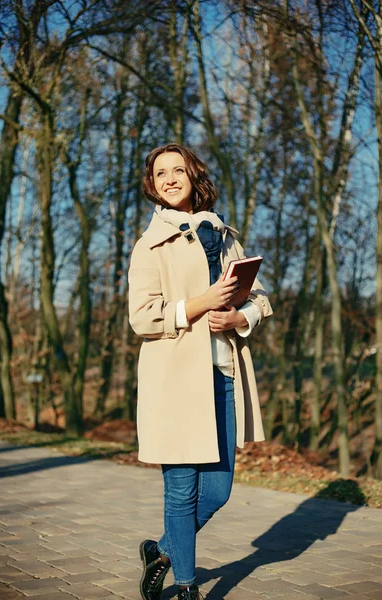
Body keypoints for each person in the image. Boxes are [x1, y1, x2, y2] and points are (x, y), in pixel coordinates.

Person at [128, 143, 273, 600]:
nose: (170, 178)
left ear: (194, 176)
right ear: (153, 185)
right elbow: (142, 316)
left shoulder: (226, 236)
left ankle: (163, 549)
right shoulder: (149, 245)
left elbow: (260, 297)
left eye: (178, 170)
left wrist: (238, 318)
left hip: (223, 374)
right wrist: (199, 305)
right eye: (160, 173)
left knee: (218, 492)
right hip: (174, 382)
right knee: (181, 491)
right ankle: (187, 587)